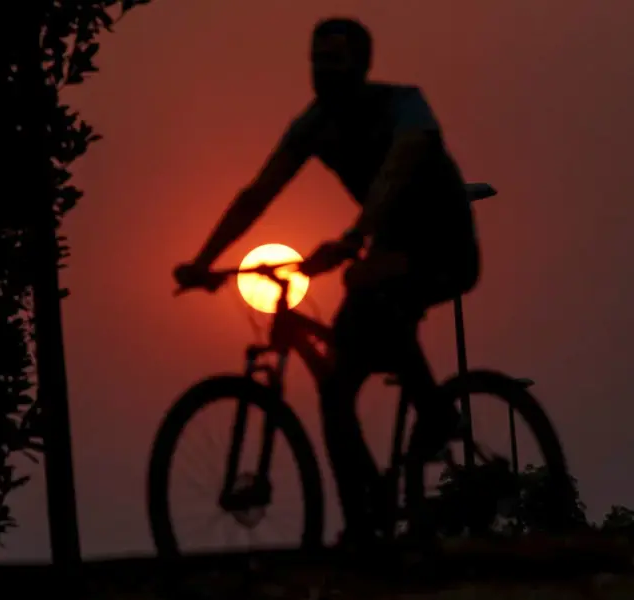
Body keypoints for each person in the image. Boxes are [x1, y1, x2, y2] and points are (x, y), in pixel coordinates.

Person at [174, 17, 481, 546]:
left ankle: (435, 414)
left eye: (335, 60)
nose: (323, 70)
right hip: (382, 250)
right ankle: (365, 520)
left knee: (369, 286)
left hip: (443, 244)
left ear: (362, 66)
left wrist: (355, 235)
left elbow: (396, 173)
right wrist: (203, 261)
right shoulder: (314, 125)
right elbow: (257, 193)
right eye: (316, 60)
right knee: (335, 388)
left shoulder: (405, 106)